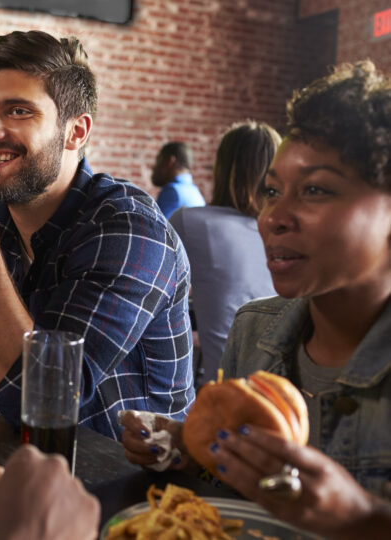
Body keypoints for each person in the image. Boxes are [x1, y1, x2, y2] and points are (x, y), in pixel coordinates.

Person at [0, 30, 195, 441]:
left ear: (76, 132)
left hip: (130, 484)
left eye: (19, 111)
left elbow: (38, 396)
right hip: (7, 456)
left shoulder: (129, 231)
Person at [120, 61, 391, 538]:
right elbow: (240, 498)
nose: (273, 217)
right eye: (271, 190)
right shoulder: (254, 331)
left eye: (315, 189)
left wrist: (363, 520)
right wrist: (189, 449)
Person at [170, 121, 279, 384]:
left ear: (223, 168)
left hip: (226, 394)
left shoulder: (191, 222)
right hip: (286, 391)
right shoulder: (286, 230)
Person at [151, 141, 206, 218]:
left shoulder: (172, 191)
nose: (154, 167)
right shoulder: (196, 193)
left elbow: (155, 227)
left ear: (170, 161)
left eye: (158, 161)